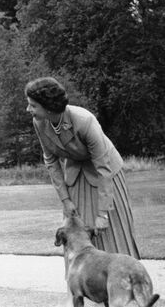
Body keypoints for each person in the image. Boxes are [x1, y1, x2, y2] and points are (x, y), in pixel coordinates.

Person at [25, 77, 140, 258]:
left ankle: (123, 279)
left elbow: (103, 168)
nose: (28, 109)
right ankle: (82, 283)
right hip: (76, 175)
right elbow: (51, 162)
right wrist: (65, 200)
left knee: (110, 231)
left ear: (47, 107)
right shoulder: (39, 122)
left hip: (106, 174)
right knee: (76, 231)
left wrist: (103, 214)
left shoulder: (84, 120)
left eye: (33, 105)